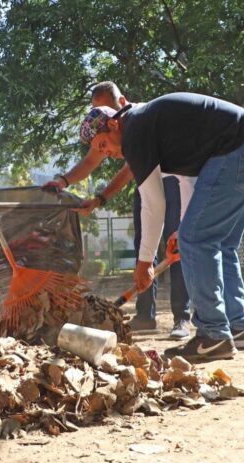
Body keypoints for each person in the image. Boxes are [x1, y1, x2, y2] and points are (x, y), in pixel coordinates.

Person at [79, 92, 244, 361]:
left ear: (113, 126)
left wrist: (144, 262)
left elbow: (153, 204)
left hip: (239, 150)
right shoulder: (149, 125)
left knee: (198, 240)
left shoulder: (135, 131)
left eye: (104, 145)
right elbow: (189, 180)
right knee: (220, 241)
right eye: (101, 151)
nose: (108, 154)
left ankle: (214, 334)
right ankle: (238, 326)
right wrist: (183, 227)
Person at [44, 81, 192, 339]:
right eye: (96, 111)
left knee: (176, 244)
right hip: (146, 184)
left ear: (121, 104)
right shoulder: (105, 127)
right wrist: (64, 181)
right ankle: (145, 314)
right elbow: (92, 160)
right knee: (143, 248)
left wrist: (102, 197)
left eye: (106, 110)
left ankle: (182, 317)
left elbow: (131, 167)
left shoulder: (138, 121)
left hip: (174, 181)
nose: (102, 117)